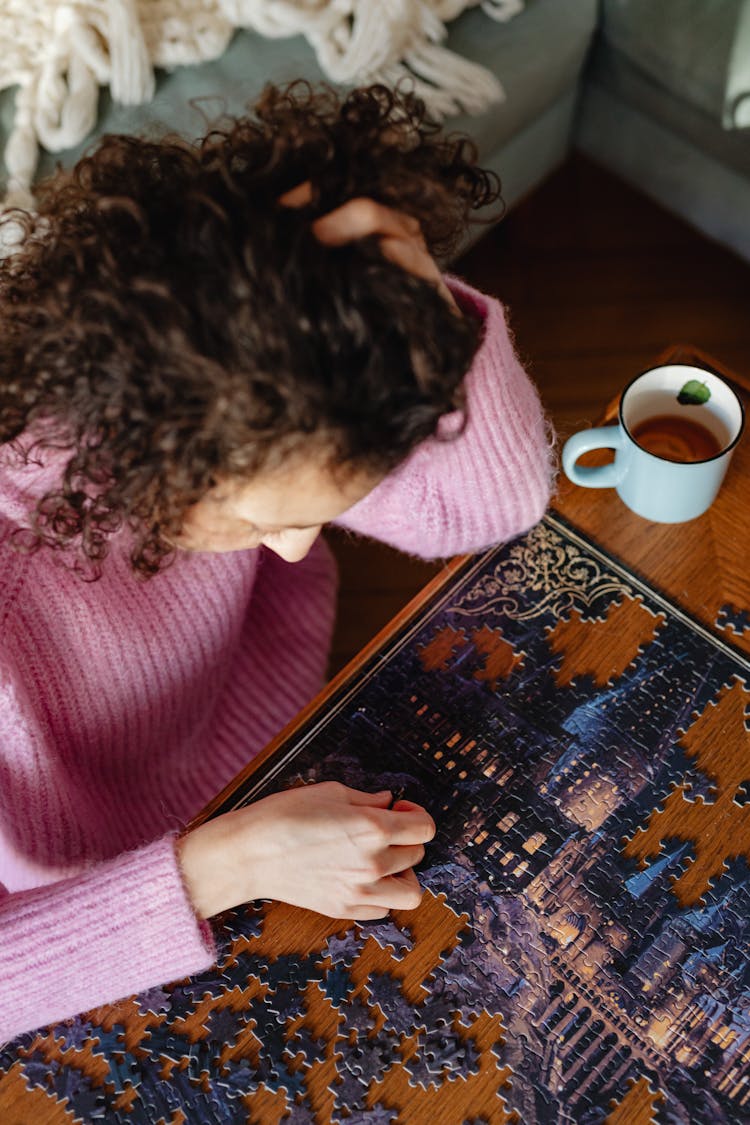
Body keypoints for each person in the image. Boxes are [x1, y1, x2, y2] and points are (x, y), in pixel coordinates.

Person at [0, 83, 554, 1041]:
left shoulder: (256, 387)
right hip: (97, 904)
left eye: (322, 509)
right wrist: (226, 864)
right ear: (145, 455)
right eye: (266, 518)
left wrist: (431, 309)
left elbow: (499, 506)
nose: (300, 548)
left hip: (276, 734)